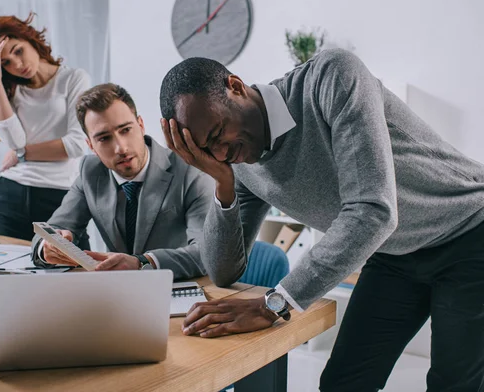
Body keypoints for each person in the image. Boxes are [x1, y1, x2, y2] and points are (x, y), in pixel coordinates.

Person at [159, 49, 484, 391]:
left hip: (468, 231)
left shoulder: (331, 78)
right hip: (395, 255)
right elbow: (224, 271)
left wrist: (275, 303)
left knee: (454, 385)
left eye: (218, 134)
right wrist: (223, 185)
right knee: (342, 384)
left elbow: (373, 211)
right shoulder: (239, 164)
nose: (221, 154)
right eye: (207, 151)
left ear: (236, 87)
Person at [31, 83, 213, 280]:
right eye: (104, 138)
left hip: (178, 288)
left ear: (141, 125)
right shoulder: (90, 172)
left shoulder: (190, 171)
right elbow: (50, 230)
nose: (120, 148)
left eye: (125, 130)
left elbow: (207, 253)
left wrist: (142, 262)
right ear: (91, 145)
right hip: (117, 291)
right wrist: (47, 247)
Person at [0, 13, 89, 240]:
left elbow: (77, 144)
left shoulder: (73, 79)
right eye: (6, 63)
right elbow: (15, 142)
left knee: (76, 269)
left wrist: (22, 154)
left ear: (30, 40)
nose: (18, 64)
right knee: (12, 271)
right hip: (11, 192)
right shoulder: (12, 90)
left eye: (17, 51)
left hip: (60, 195)